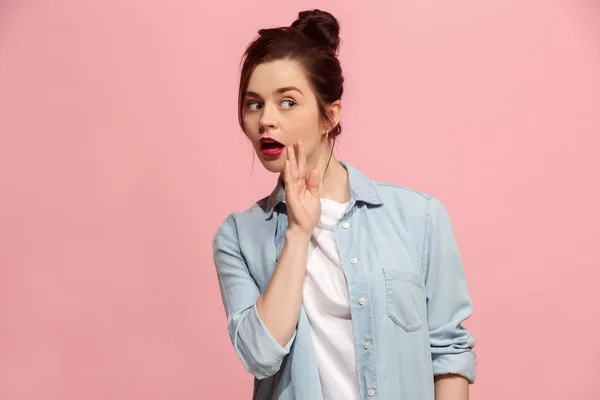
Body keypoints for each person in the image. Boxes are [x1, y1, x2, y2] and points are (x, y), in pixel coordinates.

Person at [212, 9, 477, 400]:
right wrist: (299, 233)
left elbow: (449, 354)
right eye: (254, 104)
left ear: (328, 117)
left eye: (287, 102)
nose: (266, 119)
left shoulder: (418, 219)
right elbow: (259, 354)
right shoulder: (237, 237)